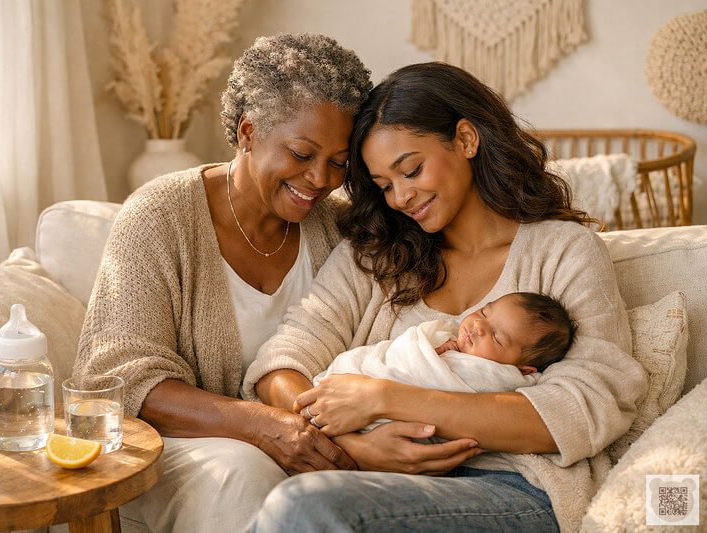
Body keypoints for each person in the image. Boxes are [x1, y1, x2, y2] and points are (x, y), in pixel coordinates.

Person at [243, 62, 647, 533]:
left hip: (516, 488)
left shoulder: (562, 251)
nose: (400, 198)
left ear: (466, 139)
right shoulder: (376, 256)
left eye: (411, 170)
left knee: (305, 505)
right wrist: (353, 445)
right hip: (378, 480)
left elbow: (588, 406)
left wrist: (384, 398)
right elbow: (280, 364)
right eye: (383, 185)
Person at [74, 33, 372, 533]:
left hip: (309, 446)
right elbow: (118, 376)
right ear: (248, 132)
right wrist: (260, 425)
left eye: (339, 162)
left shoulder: (338, 229)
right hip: (174, 448)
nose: (320, 179)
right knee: (245, 472)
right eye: (301, 153)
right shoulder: (160, 216)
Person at [308, 292, 576, 435]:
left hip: (381, 413)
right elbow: (406, 350)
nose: (479, 326)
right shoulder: (456, 339)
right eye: (485, 312)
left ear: (523, 370)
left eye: (496, 337)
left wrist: (436, 358)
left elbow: (433, 380)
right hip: (357, 384)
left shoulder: (495, 378)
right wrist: (435, 348)